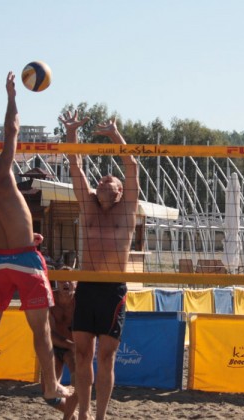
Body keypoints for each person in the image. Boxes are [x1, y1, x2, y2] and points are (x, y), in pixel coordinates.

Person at [0, 72, 72, 411]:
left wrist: (19, 238)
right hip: (25, 261)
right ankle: (51, 387)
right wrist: (11, 97)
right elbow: (12, 129)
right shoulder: (2, 176)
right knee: (41, 330)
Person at [59, 109, 139, 420]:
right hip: (88, 287)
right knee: (82, 355)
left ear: (120, 192)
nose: (105, 180)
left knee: (106, 358)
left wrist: (115, 135)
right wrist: (72, 132)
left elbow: (131, 166)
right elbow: (74, 164)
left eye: (111, 180)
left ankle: (100, 416)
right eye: (101, 179)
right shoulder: (88, 206)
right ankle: (83, 413)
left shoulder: (127, 210)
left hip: (112, 290)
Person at [42, 273, 79, 420]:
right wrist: (70, 345)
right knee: (48, 394)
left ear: (76, 284)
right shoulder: (50, 299)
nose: (66, 283)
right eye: (62, 280)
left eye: (70, 280)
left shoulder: (80, 301)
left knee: (78, 382)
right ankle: (75, 416)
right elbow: (47, 334)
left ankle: (69, 417)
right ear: (57, 282)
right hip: (56, 346)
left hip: (73, 349)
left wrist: (75, 346)